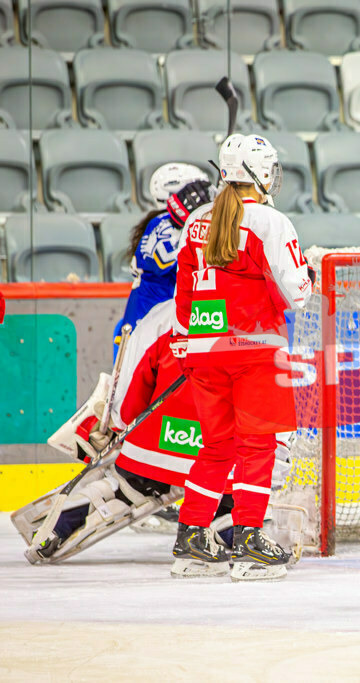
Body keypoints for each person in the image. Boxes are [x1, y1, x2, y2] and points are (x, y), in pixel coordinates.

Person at [16, 301, 290, 564]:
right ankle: (229, 525)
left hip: (156, 453)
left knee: (126, 486)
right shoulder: (262, 323)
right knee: (233, 495)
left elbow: (125, 407)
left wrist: (116, 429)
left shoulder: (163, 315)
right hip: (224, 462)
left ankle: (90, 504)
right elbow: (271, 416)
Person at [171, 133, 311, 581]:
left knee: (216, 446)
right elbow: (298, 293)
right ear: (262, 173)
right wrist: (307, 271)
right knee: (258, 446)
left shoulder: (196, 221)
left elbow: (184, 296)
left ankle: (191, 536)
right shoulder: (270, 221)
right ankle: (249, 537)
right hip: (253, 351)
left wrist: (189, 346)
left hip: (203, 351)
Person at [112, 163, 213, 358]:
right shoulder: (162, 225)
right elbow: (167, 260)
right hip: (147, 330)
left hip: (165, 328)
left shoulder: (179, 227)